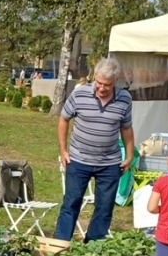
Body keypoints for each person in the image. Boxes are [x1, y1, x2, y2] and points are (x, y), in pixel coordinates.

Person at [55, 57, 134, 242]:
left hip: (110, 163)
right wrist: (63, 150)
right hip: (78, 160)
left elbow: (126, 128)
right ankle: (60, 245)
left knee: (104, 207)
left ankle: (93, 248)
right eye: (98, 82)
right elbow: (64, 119)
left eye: (107, 84)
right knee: (71, 203)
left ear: (115, 81)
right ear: (94, 77)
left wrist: (129, 156)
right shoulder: (79, 94)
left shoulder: (124, 98)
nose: (101, 87)